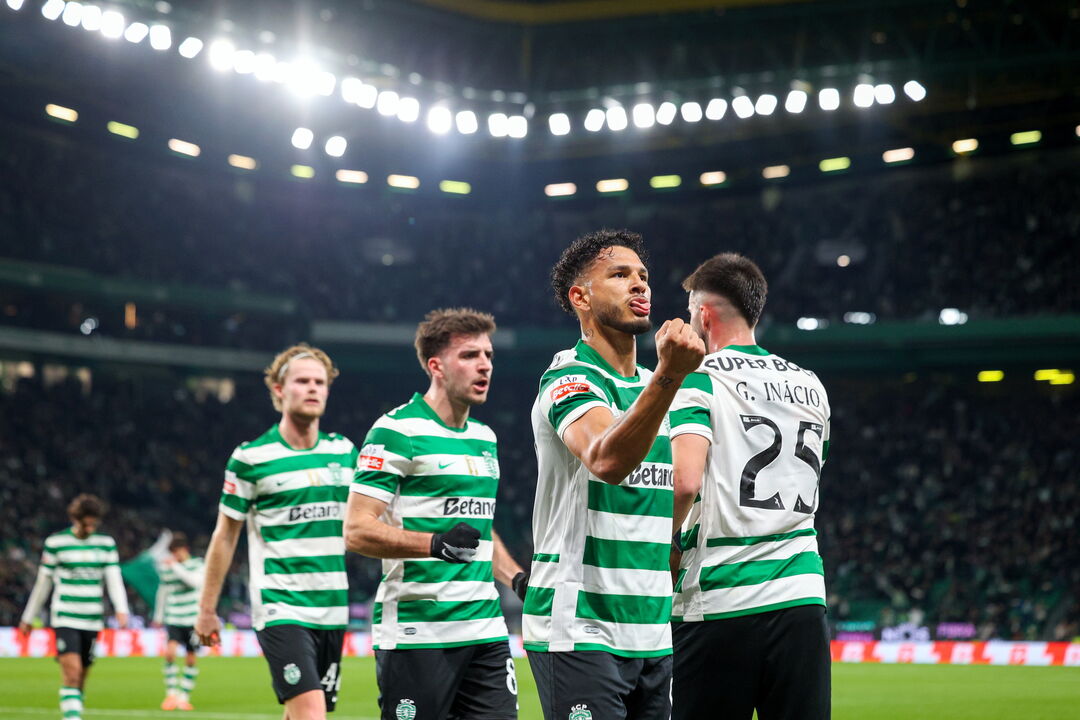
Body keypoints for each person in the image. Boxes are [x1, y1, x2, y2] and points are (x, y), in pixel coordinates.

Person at [522, 229, 705, 720]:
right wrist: (671, 375)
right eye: (619, 275)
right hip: (582, 627)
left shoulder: (657, 386)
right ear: (579, 297)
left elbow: (681, 489)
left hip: (651, 629)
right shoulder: (568, 376)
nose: (639, 286)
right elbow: (607, 461)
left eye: (643, 276)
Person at [669, 253, 832, 720]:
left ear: (704, 314)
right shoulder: (812, 384)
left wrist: (666, 546)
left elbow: (684, 482)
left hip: (722, 598)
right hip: (802, 596)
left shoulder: (698, 378)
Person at [346, 308, 527, 720]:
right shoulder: (396, 431)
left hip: (485, 627)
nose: (484, 364)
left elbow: (478, 530)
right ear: (436, 366)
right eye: (469, 355)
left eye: (489, 355)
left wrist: (514, 576)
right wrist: (432, 544)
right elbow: (356, 530)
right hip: (417, 632)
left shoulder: (486, 438)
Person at [194, 344, 358, 720]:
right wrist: (206, 609)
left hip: (333, 608)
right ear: (279, 390)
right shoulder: (251, 458)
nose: (313, 388)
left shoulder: (345, 452)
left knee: (303, 713)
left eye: (320, 382)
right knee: (310, 713)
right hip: (280, 606)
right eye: (302, 381)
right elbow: (225, 536)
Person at [19, 493, 130, 720]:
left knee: (81, 677)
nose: (90, 528)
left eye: (93, 523)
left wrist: (122, 609)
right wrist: (28, 617)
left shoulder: (105, 544)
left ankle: (73, 709)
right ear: (75, 519)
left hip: (92, 618)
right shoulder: (56, 544)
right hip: (65, 617)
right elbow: (43, 583)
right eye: (86, 523)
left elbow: (114, 578)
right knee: (72, 672)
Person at [154, 532, 205, 711]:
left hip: (192, 619)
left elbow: (194, 583)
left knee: (191, 658)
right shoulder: (167, 569)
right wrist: (158, 616)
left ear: (185, 550)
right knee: (170, 653)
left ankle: (184, 696)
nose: (175, 556)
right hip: (174, 617)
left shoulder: (197, 565)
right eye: (173, 553)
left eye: (177, 552)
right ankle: (171, 695)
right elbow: (163, 591)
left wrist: (175, 566)